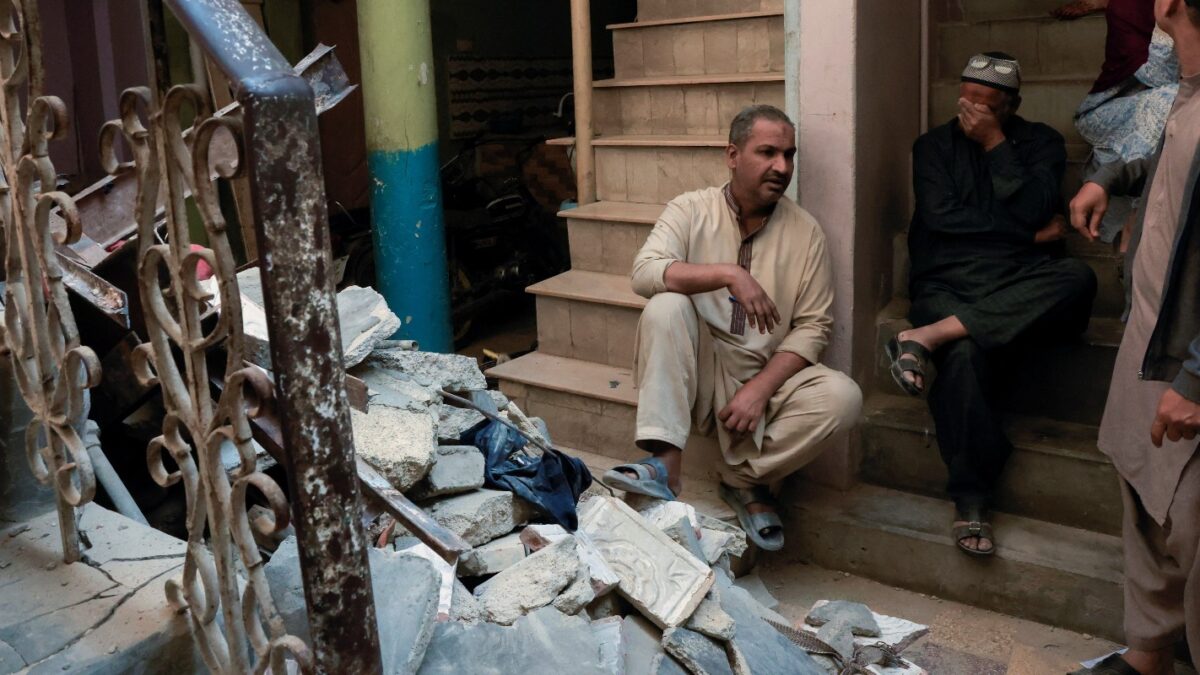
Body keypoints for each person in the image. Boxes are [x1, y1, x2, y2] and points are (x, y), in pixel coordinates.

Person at [600, 104, 862, 552]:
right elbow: (644, 272)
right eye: (767, 153)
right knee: (666, 306)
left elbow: (814, 328)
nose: (782, 167)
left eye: (789, 155)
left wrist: (760, 388)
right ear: (733, 155)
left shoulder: (806, 233)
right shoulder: (690, 209)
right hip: (700, 368)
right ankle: (665, 461)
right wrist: (729, 274)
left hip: (767, 379)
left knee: (844, 397)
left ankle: (741, 480)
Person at [885, 52, 1098, 557]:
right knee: (963, 358)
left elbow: (1035, 203)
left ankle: (927, 337)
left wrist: (995, 145)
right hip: (949, 282)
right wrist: (1030, 235)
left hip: (1021, 284)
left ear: (1011, 107)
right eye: (967, 100)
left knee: (1077, 276)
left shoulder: (1040, 142)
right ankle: (971, 498)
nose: (974, 113)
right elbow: (942, 221)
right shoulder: (932, 147)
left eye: (989, 107)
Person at [1068, 1, 1200, 672]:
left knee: (1190, 516)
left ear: (1171, 6)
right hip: (1147, 336)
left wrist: (1197, 376)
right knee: (1141, 489)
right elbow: (1154, 151)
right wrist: (1106, 178)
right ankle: (1148, 652)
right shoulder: (1183, 87)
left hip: (1188, 365)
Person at [1074, 0, 1178, 248]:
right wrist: (1166, 26)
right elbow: (1159, 76)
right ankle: (1135, 223)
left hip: (1161, 103)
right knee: (1172, 100)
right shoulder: (1128, 7)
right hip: (1107, 109)